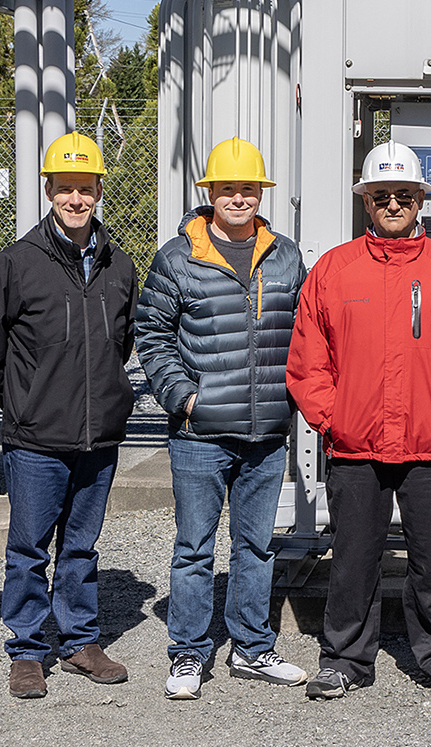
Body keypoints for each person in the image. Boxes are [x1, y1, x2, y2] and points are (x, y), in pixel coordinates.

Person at [286, 141, 431, 703]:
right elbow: (309, 360)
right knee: (353, 559)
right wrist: (334, 418)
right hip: (356, 446)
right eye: (381, 195)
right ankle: (345, 658)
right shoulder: (334, 269)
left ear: (420, 198)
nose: (393, 203)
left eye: (404, 193)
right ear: (366, 201)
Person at [131, 137, 311, 699]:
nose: (238, 197)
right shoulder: (177, 256)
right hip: (200, 435)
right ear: (210, 192)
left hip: (265, 434)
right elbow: (152, 334)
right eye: (228, 188)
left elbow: (306, 334)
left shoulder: (285, 254)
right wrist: (182, 396)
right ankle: (188, 654)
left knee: (256, 546)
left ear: (261, 194)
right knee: (194, 548)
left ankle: (252, 649)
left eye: (248, 188)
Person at [0, 132, 140, 699]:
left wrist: (106, 398)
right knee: (28, 547)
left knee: (83, 546)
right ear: (48, 190)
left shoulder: (118, 265)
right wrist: (22, 399)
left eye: (85, 188)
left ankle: (80, 641)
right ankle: (26, 649)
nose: (75, 198)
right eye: (65, 187)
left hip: (98, 437)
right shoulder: (16, 263)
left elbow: (123, 342)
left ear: (97, 192)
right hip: (37, 438)